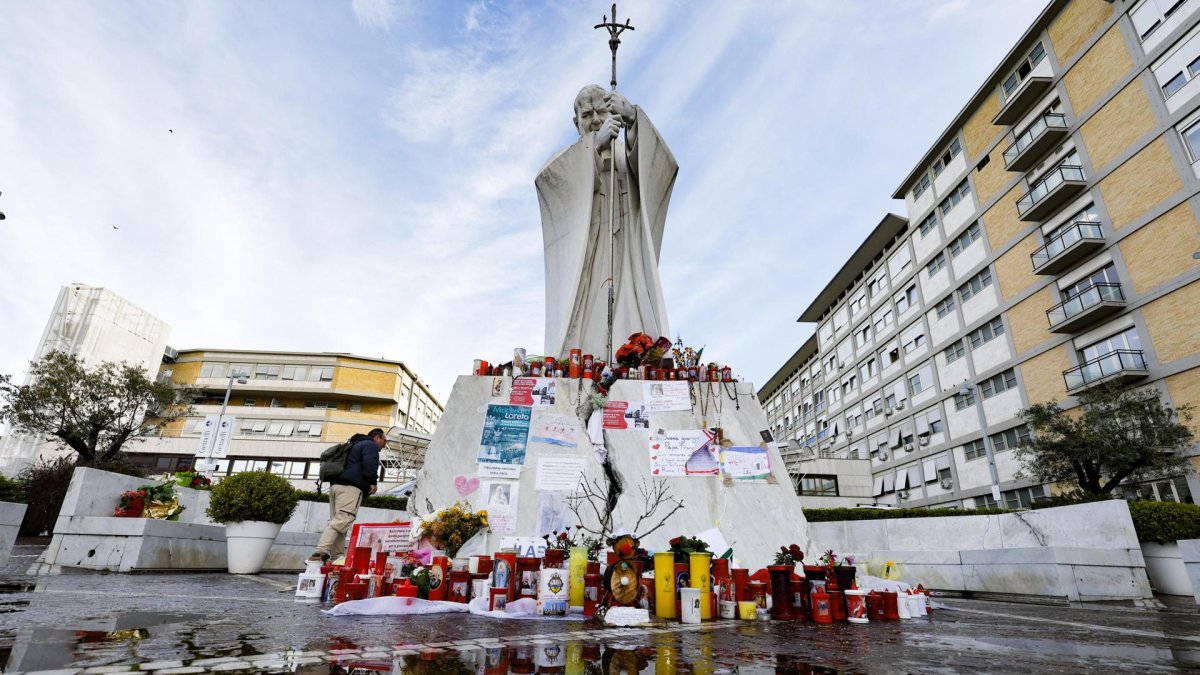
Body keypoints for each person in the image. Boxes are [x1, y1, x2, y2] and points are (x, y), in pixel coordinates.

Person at [537, 85, 678, 358]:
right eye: (587, 114)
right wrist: (592, 148)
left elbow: (663, 166)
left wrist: (634, 119)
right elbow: (547, 182)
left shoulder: (627, 159)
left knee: (631, 316)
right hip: (588, 262)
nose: (596, 120)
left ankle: (633, 355)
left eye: (602, 112)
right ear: (576, 122)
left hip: (626, 256)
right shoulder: (566, 162)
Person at [309, 428, 385, 562]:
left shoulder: (354, 445)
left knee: (339, 524)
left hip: (336, 486)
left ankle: (336, 558)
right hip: (350, 488)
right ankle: (319, 553)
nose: (384, 444)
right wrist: (373, 482)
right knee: (342, 520)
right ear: (377, 437)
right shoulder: (370, 445)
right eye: (384, 440)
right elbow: (369, 465)